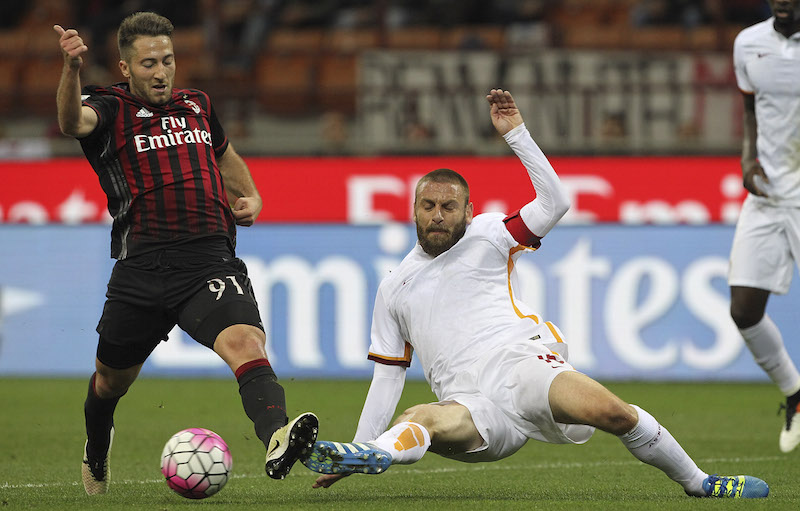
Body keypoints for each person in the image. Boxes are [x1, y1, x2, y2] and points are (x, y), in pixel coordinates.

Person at [302, 89, 770, 499]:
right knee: (422, 416)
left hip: (521, 368)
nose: (438, 215)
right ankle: (366, 456)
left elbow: (556, 204)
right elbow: (388, 376)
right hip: (470, 404)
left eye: (449, 206)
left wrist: (516, 135)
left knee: (614, 413)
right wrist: (361, 444)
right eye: (429, 205)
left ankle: (700, 483)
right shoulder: (394, 287)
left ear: (469, 211)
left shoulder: (489, 235)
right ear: (414, 210)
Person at [53, 12, 318, 495]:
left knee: (246, 344)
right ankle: (97, 443)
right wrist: (71, 70)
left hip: (209, 262)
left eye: (168, 60)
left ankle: (277, 436)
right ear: (126, 68)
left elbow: (223, 152)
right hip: (143, 268)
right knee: (110, 382)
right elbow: (72, 121)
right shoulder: (108, 107)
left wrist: (251, 196)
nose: (161, 72)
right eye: (149, 63)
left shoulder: (196, 104)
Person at [729, 0, 800, 454]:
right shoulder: (747, 43)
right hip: (770, 190)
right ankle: (795, 395)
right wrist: (746, 157)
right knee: (744, 310)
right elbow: (751, 111)